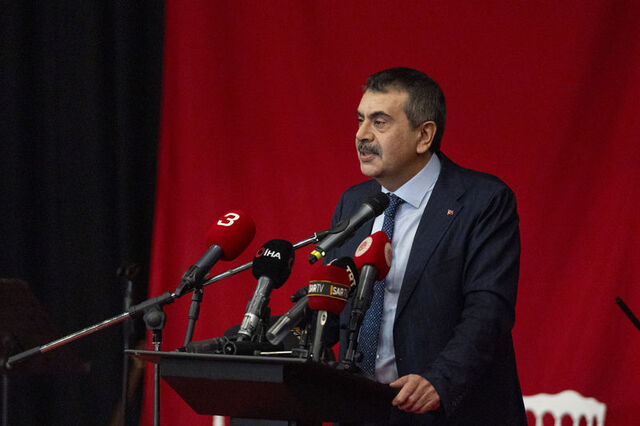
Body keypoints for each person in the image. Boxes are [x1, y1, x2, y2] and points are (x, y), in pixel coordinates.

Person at [326, 67, 526, 425]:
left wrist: (440, 381)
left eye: (379, 122)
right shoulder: (353, 203)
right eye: (360, 120)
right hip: (363, 412)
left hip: (449, 411)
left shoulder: (482, 201)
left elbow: (488, 311)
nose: (361, 135)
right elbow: (331, 302)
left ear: (424, 135)